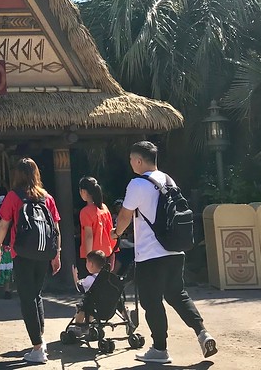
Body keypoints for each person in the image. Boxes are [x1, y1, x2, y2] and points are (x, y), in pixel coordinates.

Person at [112, 141, 217, 364]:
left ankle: (160, 349)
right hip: (175, 250)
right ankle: (202, 333)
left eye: (132, 159)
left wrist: (116, 233)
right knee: (177, 295)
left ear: (139, 160)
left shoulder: (137, 184)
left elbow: (124, 216)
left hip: (151, 254)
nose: (131, 163)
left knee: (151, 301)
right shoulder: (168, 180)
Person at [0, 158, 61, 365]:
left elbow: (4, 225)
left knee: (26, 298)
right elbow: (56, 228)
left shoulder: (14, 197)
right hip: (43, 253)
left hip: (21, 254)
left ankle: (38, 348)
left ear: (18, 175)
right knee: (36, 295)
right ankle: (40, 339)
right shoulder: (47, 197)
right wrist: (56, 254)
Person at [78, 176, 116, 274]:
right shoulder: (104, 208)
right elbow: (111, 232)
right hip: (107, 253)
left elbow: (89, 236)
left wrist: (89, 259)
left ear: (83, 191)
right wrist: (113, 253)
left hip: (93, 257)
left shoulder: (85, 211)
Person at [68, 250, 107, 335]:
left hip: (92, 307)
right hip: (106, 307)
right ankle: (89, 326)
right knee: (91, 305)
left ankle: (78, 327)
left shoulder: (90, 279)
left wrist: (75, 277)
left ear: (91, 264)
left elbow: (80, 288)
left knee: (82, 307)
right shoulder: (107, 278)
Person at [111, 198, 134, 275]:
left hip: (130, 244)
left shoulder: (130, 217)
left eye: (120, 206)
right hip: (119, 243)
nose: (119, 209)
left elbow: (130, 231)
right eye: (117, 207)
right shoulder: (115, 218)